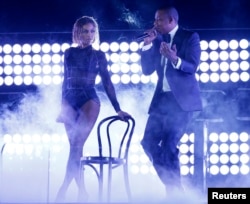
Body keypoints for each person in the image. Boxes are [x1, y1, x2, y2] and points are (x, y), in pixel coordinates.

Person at [55, 16, 131, 202]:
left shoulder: (99, 55)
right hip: (69, 100)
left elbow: (107, 82)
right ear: (77, 33)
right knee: (74, 147)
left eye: (92, 31)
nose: (89, 35)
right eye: (85, 31)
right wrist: (62, 105)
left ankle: (63, 190)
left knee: (76, 145)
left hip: (89, 99)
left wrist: (117, 109)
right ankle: (82, 191)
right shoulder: (68, 53)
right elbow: (65, 81)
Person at [139, 6, 202, 198]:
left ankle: (173, 193)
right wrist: (148, 45)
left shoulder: (190, 37)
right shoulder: (157, 39)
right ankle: (174, 187)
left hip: (181, 102)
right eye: (155, 19)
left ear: (171, 20)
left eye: (159, 20)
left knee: (168, 146)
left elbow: (192, 67)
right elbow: (147, 70)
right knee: (148, 142)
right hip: (161, 101)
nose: (155, 23)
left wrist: (174, 59)